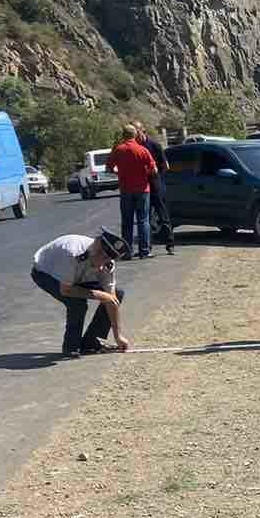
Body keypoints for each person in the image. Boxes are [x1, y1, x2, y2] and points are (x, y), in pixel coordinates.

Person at [30, 229, 131, 358]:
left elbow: (112, 300)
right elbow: (66, 290)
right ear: (96, 243)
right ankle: (71, 347)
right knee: (77, 303)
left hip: (77, 277)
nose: (102, 261)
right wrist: (101, 295)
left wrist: (118, 336)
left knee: (117, 293)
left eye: (107, 258)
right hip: (47, 273)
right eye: (101, 254)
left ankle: (90, 342)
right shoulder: (72, 253)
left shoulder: (107, 264)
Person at [108, 125, 157, 259]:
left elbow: (109, 168)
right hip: (142, 189)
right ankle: (144, 251)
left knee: (127, 221)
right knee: (143, 220)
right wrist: (145, 173)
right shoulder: (142, 150)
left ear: (123, 135)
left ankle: (127, 252)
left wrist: (119, 172)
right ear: (135, 135)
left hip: (126, 189)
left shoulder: (118, 150)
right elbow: (154, 170)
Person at [135, 122, 176, 256]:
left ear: (142, 131)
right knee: (145, 219)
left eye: (137, 131)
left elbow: (166, 165)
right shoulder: (136, 147)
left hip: (156, 186)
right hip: (142, 187)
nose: (135, 134)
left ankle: (170, 244)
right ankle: (146, 247)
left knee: (162, 215)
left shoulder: (154, 145)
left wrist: (158, 178)